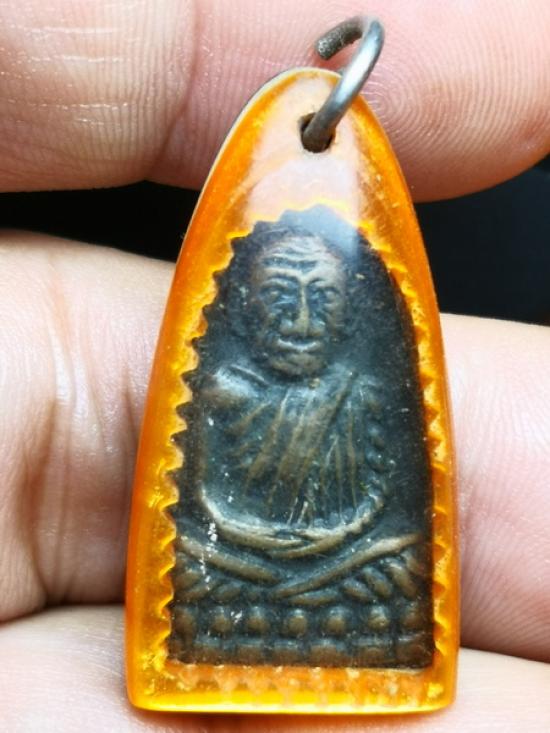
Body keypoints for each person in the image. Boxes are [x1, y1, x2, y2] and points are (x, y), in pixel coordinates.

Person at [0, 1, 549, 730]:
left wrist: (341, 555)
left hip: (349, 567)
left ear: (347, 314)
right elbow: (200, 501)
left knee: (397, 568)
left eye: (322, 300)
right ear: (250, 312)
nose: (300, 320)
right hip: (235, 566)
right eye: (280, 299)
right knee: (195, 570)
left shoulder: (359, 396)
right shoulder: (226, 391)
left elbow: (377, 501)